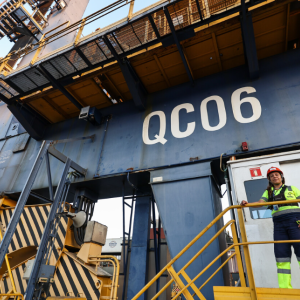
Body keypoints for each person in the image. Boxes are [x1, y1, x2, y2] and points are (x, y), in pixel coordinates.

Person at [241, 167, 300, 289]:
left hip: (295, 223)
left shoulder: (291, 188)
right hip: (279, 226)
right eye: (272, 175)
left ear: (281, 176)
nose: (275, 176)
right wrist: (247, 204)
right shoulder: (268, 192)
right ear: (269, 179)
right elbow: (260, 203)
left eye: (277, 174)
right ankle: (285, 290)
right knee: (281, 257)